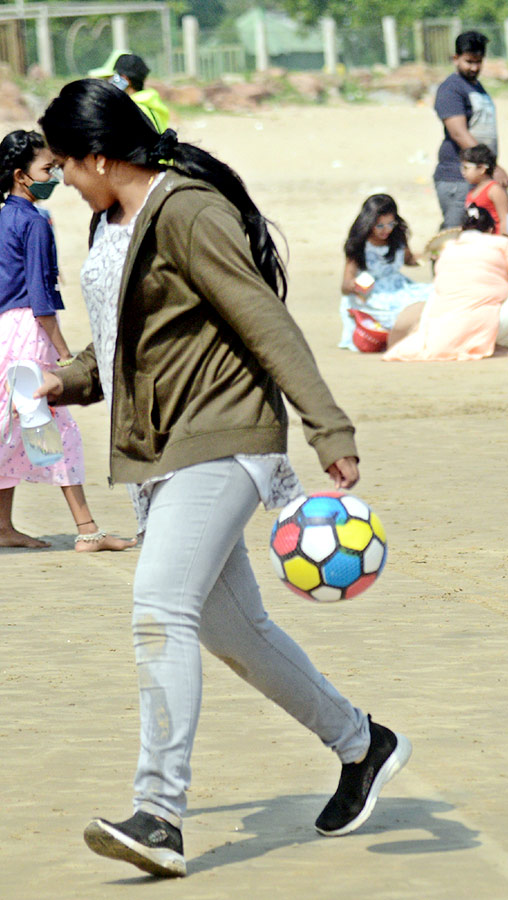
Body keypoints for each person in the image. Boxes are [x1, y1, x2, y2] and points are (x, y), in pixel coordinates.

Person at [37, 80, 407, 878]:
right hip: (159, 452)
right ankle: (362, 743)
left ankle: (159, 815)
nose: (61, 179)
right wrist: (68, 380)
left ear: (100, 156)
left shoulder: (189, 210)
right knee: (233, 631)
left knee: (158, 607)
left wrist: (327, 425)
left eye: (66, 163)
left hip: (226, 435)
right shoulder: (112, 220)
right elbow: (130, 334)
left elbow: (261, 317)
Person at [0, 129, 134, 552]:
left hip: (3, 332)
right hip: (28, 333)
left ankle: (4, 526)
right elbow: (41, 300)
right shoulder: (34, 221)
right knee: (52, 428)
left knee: (10, 429)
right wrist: (63, 354)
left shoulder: (2, 217)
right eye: (47, 169)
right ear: (22, 176)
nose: (55, 176)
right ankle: (87, 529)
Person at [383, 204, 508, 361]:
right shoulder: (503, 244)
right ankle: (495, 344)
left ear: (462, 228)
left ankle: (481, 342)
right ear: (490, 230)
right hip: (479, 322)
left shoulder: (448, 248)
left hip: (440, 330)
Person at [432, 31, 508, 230]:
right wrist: (492, 165)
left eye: (478, 61)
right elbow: (459, 133)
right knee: (455, 234)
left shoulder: (476, 87)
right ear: (455, 58)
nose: (474, 67)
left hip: (480, 174)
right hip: (457, 176)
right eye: (469, 61)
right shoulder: (451, 89)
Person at [339, 193, 431, 349]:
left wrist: (430, 255)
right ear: (368, 223)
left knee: (433, 295)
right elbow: (345, 284)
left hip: (399, 286)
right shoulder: (359, 244)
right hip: (372, 292)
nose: (386, 230)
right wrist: (353, 285)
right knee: (396, 311)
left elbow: (408, 259)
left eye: (390, 224)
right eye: (380, 226)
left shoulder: (397, 235)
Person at [101, 53, 170, 132]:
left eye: (111, 77)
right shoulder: (153, 104)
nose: (109, 81)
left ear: (124, 79)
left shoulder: (130, 110)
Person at [461, 144, 508, 236]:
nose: (463, 172)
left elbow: (504, 219)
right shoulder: (471, 193)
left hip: (494, 239)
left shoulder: (494, 190)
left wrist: (502, 240)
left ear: (482, 169)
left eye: (466, 168)